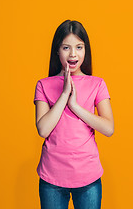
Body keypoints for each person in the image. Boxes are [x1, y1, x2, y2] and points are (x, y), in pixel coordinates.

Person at [33, 20, 114, 209]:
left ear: (86, 50)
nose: (73, 54)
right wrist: (63, 95)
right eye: (66, 47)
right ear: (57, 51)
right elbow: (43, 129)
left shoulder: (97, 84)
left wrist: (75, 106)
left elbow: (108, 128)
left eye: (79, 47)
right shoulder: (43, 85)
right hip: (52, 177)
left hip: (88, 177)